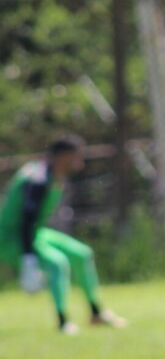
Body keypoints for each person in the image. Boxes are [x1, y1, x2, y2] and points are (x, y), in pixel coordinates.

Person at [0, 136, 127, 335]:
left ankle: (96, 313)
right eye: (76, 158)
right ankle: (63, 322)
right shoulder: (38, 178)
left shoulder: (53, 174)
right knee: (57, 264)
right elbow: (26, 218)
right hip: (11, 237)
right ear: (63, 157)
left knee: (82, 254)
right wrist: (29, 259)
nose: (80, 163)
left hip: (35, 232)